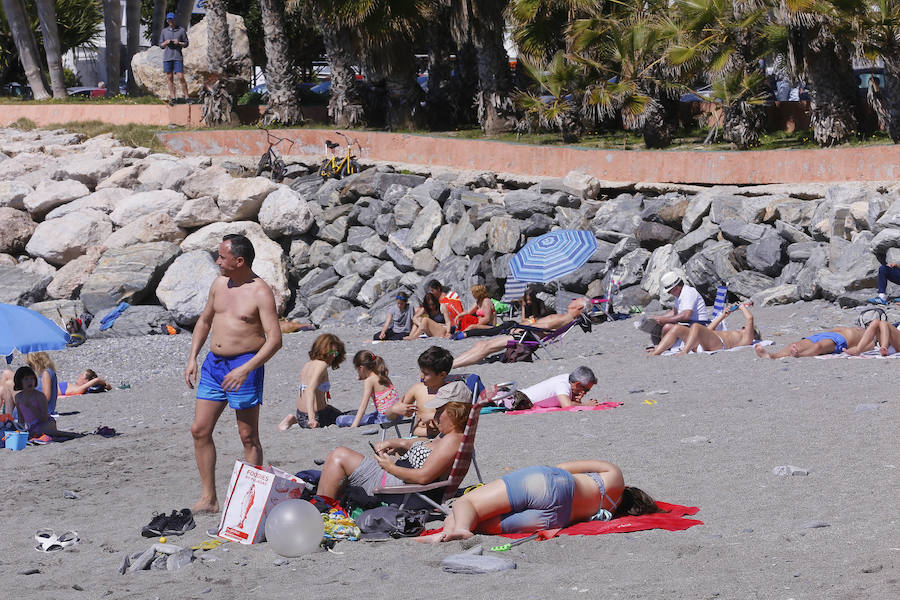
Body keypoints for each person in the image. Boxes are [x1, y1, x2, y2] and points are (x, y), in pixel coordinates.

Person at [184, 234, 282, 514]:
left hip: (245, 366)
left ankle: (250, 502)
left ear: (239, 261)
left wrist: (246, 368)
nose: (217, 261)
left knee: (248, 436)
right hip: (214, 366)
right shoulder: (218, 285)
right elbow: (204, 321)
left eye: (222, 257)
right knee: (199, 430)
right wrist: (193, 357)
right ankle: (209, 499)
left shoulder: (260, 292)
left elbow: (274, 339)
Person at [416, 459, 662, 542]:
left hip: (555, 484)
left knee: (466, 503)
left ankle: (458, 529)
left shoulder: (615, 476)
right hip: (554, 518)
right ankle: (447, 534)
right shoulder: (608, 508)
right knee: (480, 523)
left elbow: (563, 467)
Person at [315, 381, 473, 508]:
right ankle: (322, 506)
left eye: (440, 411)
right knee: (337, 455)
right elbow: (428, 449)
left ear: (455, 412)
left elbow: (423, 477)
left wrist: (389, 466)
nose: (435, 416)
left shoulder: (453, 440)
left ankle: (322, 509)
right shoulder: (447, 435)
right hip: (396, 479)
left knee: (338, 457)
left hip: (402, 491)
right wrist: (399, 443)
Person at [451, 297, 591, 368]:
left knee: (485, 347)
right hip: (527, 334)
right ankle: (453, 362)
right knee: (483, 344)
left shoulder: (565, 318)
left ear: (579, 306)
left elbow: (546, 326)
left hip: (524, 337)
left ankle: (453, 365)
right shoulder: (566, 317)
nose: (573, 300)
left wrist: (523, 327)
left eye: (576, 300)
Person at [277, 333, 346, 430]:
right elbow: (310, 390)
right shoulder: (322, 365)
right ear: (323, 350)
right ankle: (298, 420)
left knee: (339, 414)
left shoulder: (308, 364)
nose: (333, 356)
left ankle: (294, 419)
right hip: (316, 416)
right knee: (349, 418)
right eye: (331, 352)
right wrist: (312, 419)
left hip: (301, 415)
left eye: (336, 353)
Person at [384, 346, 454, 438]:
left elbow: (458, 422)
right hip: (417, 438)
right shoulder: (417, 389)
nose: (421, 376)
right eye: (421, 372)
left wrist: (434, 416)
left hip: (442, 441)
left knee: (397, 447)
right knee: (384, 447)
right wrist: (394, 410)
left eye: (426, 374)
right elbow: (389, 417)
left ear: (442, 375)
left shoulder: (452, 392)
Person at [649, 303, 759, 356]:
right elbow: (709, 330)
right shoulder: (736, 334)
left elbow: (750, 318)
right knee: (677, 328)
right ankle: (657, 352)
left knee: (696, 326)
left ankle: (684, 351)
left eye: (745, 328)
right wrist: (723, 316)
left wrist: (741, 306)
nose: (743, 327)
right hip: (709, 341)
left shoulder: (747, 339)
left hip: (719, 344)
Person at [335, 351, 400, 427]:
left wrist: (354, 425)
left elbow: (363, 406)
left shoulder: (369, 381)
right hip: (398, 415)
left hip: (385, 419)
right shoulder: (382, 374)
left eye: (357, 370)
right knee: (371, 415)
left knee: (340, 419)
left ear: (361, 368)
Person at [12, 366, 80, 439]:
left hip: (46, 423)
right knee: (28, 433)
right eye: (26, 379)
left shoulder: (39, 396)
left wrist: (31, 407)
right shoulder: (18, 397)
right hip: (33, 426)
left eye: (32, 378)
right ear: (19, 381)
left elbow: (44, 418)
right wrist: (20, 430)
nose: (30, 381)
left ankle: (70, 434)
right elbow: (21, 418)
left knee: (41, 431)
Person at [642, 272, 709, 344]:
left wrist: (666, 319)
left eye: (669, 291)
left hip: (698, 327)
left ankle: (663, 347)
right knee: (655, 328)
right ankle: (658, 346)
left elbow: (686, 315)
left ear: (676, 288)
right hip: (689, 325)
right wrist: (658, 318)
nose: (670, 293)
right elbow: (675, 311)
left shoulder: (688, 292)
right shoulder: (680, 294)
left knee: (667, 327)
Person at [754, 326, 870, 359]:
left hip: (840, 340)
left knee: (818, 346)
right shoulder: (854, 328)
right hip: (825, 335)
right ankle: (772, 356)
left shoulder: (870, 337)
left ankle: (799, 354)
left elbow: (867, 347)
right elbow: (833, 329)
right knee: (794, 344)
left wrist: (850, 350)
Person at [512, 366, 598, 410]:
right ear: (578, 384)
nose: (585, 393)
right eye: (586, 390)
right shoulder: (562, 384)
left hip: (520, 396)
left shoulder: (566, 378)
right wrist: (585, 405)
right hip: (520, 401)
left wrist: (575, 400)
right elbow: (567, 406)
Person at [160, 12, 189, 104]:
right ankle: (173, 97)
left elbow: (186, 43)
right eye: (169, 19)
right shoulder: (164, 31)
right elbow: (161, 45)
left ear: (175, 20)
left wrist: (179, 43)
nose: (170, 21)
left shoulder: (181, 30)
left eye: (172, 19)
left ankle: (187, 96)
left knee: (180, 76)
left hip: (177, 57)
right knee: (169, 77)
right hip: (167, 57)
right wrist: (166, 42)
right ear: (167, 21)